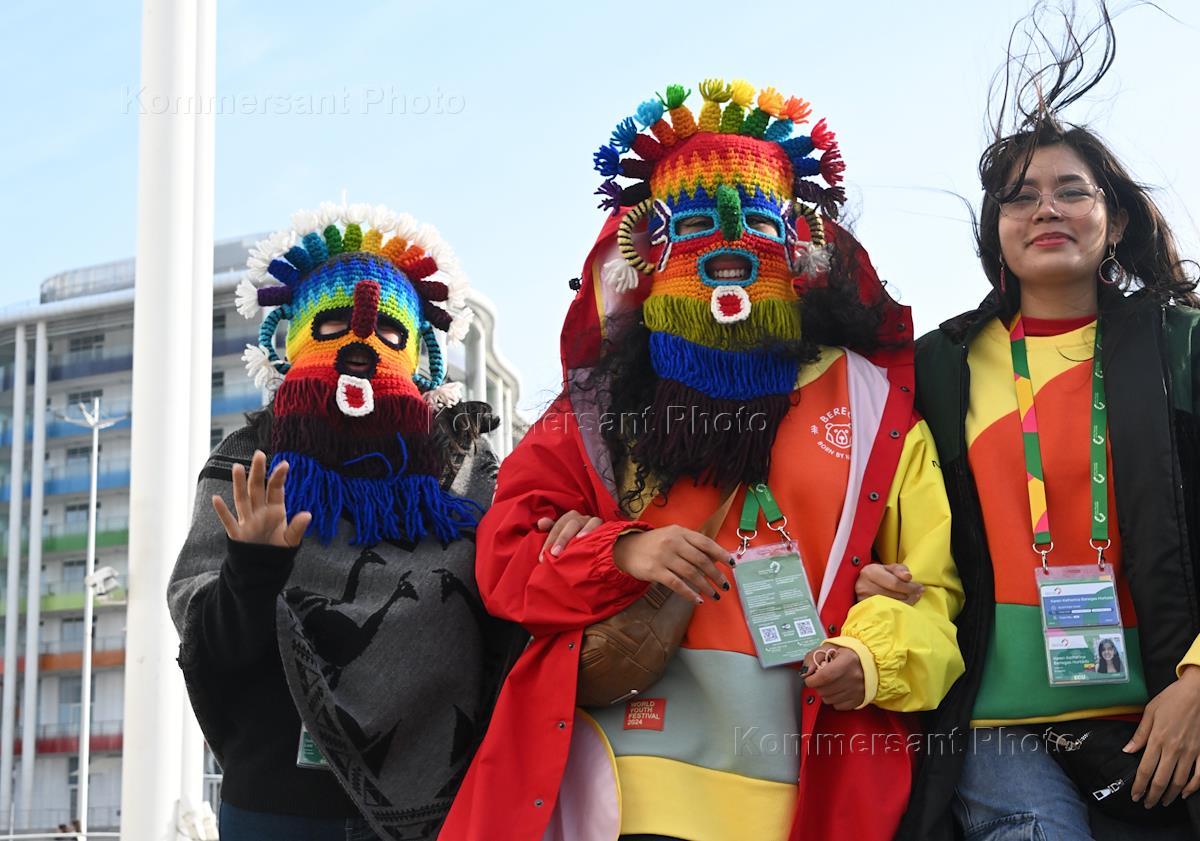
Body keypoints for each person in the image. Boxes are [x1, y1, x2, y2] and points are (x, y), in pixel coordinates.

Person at [439, 78, 964, 841]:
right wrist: (621, 551)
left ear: (797, 244)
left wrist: (872, 656)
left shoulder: (873, 404)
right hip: (619, 786)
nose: (728, 248)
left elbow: (931, 595)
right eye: (693, 224)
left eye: (757, 221)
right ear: (650, 249)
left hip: (805, 786)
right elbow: (505, 556)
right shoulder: (596, 413)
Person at [882, 7, 1200, 839]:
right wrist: (875, 576)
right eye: (1019, 198)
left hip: (1163, 707)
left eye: (1071, 191)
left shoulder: (1181, 345)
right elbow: (871, 501)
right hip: (992, 725)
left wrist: (1199, 678)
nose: (1045, 209)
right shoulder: (937, 365)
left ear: (1115, 219)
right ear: (995, 231)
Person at [167, 202, 531, 840]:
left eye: (390, 332)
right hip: (277, 807)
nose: (361, 346)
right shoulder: (249, 461)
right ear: (292, 339)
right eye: (333, 323)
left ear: (421, 355)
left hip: (445, 807)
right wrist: (252, 566)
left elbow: (511, 610)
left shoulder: (468, 472)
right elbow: (211, 646)